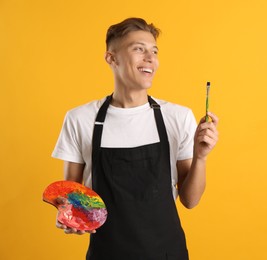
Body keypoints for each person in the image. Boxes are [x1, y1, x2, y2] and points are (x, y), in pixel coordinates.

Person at [52, 17, 219, 259]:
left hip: (166, 253)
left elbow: (190, 200)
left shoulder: (178, 117)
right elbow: (71, 196)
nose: (150, 58)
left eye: (154, 51)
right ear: (112, 58)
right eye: (139, 49)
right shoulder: (80, 119)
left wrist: (201, 157)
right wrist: (68, 216)